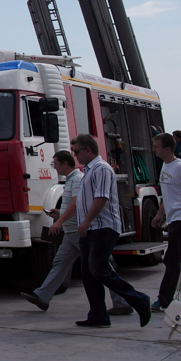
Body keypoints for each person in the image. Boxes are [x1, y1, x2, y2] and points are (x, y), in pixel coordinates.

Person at [20, 151, 130, 313]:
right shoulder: (72, 180)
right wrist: (59, 212)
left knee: (102, 267)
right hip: (71, 233)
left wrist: (59, 222)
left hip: (78, 232)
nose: (54, 167)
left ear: (65, 164)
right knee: (61, 263)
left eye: (56, 164)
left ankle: (122, 302)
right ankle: (42, 296)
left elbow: (76, 203)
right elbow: (74, 205)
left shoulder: (77, 179)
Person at [70, 134, 152, 327]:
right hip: (90, 229)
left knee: (99, 268)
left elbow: (101, 198)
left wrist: (87, 221)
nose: (76, 156)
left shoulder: (101, 169)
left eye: (77, 152)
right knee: (89, 273)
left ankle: (140, 300)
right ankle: (98, 315)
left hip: (102, 227)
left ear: (88, 150)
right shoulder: (88, 170)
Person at [151, 132, 181, 312]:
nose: (154, 149)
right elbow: (167, 196)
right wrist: (159, 215)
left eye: (156, 146)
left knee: (172, 260)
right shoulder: (165, 167)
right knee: (176, 259)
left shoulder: (180, 167)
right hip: (173, 219)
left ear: (167, 149)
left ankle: (165, 300)